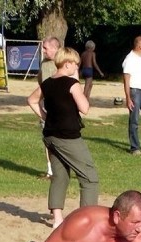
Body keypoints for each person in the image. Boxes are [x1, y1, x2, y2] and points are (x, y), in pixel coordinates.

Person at [28, 47, 99, 229]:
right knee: (89, 177)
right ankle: (87, 221)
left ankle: (57, 218)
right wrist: (76, 84)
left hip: (50, 136)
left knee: (60, 177)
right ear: (67, 64)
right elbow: (85, 108)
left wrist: (44, 116)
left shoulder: (47, 83)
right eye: (75, 64)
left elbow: (32, 100)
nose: (77, 68)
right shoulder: (71, 83)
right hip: (68, 137)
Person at [36, 36, 62, 180]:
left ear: (55, 48)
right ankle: (50, 170)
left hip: (60, 108)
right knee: (47, 138)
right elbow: (40, 81)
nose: (43, 50)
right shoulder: (44, 63)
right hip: (47, 106)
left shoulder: (62, 63)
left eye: (46, 48)